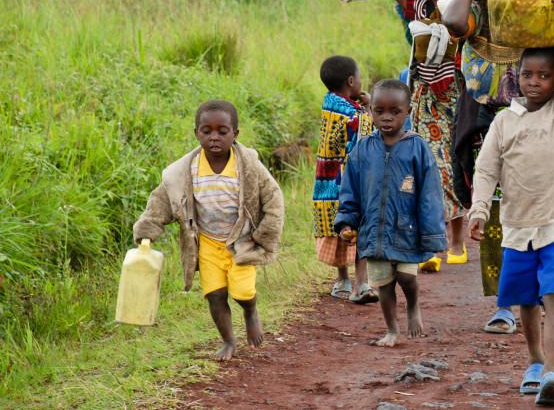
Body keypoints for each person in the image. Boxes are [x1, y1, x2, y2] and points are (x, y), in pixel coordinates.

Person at [467, 0, 554, 405]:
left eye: (544, 75)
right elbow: (486, 170)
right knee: (525, 298)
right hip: (518, 223)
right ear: (516, 77)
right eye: (528, 74)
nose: (534, 82)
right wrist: (480, 209)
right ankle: (535, 361)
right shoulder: (504, 120)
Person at [133, 100, 284, 360]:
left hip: (241, 241)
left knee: (242, 292)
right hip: (207, 243)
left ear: (235, 134)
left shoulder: (247, 166)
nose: (214, 137)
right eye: (206, 131)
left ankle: (250, 311)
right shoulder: (185, 170)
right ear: (196, 133)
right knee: (215, 295)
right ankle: (228, 341)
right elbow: (161, 200)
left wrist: (265, 234)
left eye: (222, 132)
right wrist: (148, 229)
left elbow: (273, 197)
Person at [374, 0, 473, 270]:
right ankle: (433, 246)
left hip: (452, 96)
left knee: (451, 165)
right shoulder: (414, 5)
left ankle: (456, 242)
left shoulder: (455, 4)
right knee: (425, 166)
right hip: (422, 97)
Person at [441, 0, 524, 334]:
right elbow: (451, 19)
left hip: (526, 124)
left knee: (524, 213)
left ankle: (529, 294)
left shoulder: (529, 20)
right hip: (481, 124)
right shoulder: (473, 16)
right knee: (491, 214)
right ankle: (505, 304)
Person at [335, 79, 447, 347]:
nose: (387, 118)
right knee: (384, 285)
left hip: (407, 229)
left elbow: (430, 194)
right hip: (374, 231)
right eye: (379, 111)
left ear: (407, 111)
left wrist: (432, 234)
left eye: (395, 112)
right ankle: (392, 330)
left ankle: (413, 306)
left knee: (407, 277)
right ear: (370, 109)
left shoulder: (417, 147)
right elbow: (349, 191)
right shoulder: (362, 149)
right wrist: (347, 222)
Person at [313, 55, 377, 304]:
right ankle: (362, 283)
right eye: (360, 77)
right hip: (351, 182)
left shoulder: (330, 103)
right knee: (358, 227)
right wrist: (369, 106)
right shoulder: (354, 112)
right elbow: (368, 136)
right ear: (351, 81)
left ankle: (342, 280)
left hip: (327, 181)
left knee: (339, 228)